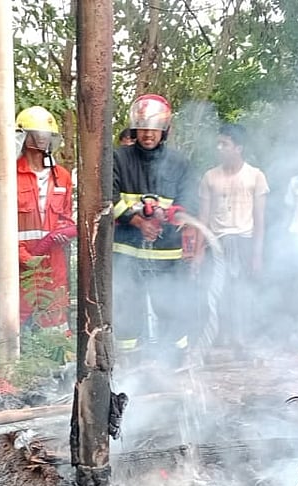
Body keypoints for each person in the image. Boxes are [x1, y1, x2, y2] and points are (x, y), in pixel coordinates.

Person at [111, 93, 196, 366]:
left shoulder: (179, 163)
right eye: (144, 128)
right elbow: (107, 199)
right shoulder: (118, 159)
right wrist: (138, 221)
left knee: (170, 304)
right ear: (135, 128)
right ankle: (128, 361)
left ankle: (176, 359)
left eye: (155, 128)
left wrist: (169, 215)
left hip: (167, 253)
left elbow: (190, 200)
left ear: (165, 130)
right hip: (126, 250)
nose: (149, 134)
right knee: (127, 305)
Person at [198, 123, 269, 350]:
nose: (219, 148)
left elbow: (259, 219)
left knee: (241, 292)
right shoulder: (210, 177)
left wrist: (257, 255)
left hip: (243, 240)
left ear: (238, 147)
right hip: (216, 242)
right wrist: (199, 250)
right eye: (218, 143)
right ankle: (220, 336)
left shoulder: (255, 176)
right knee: (217, 291)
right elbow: (203, 217)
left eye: (225, 144)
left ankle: (240, 338)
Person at [15, 106, 76, 331]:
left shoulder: (62, 176)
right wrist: (23, 257)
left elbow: (67, 218)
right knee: (15, 317)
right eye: (37, 134)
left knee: (55, 316)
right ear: (24, 136)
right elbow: (4, 224)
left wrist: (63, 231)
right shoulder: (10, 174)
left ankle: (59, 364)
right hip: (20, 261)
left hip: (53, 259)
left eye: (46, 135)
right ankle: (9, 364)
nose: (42, 140)